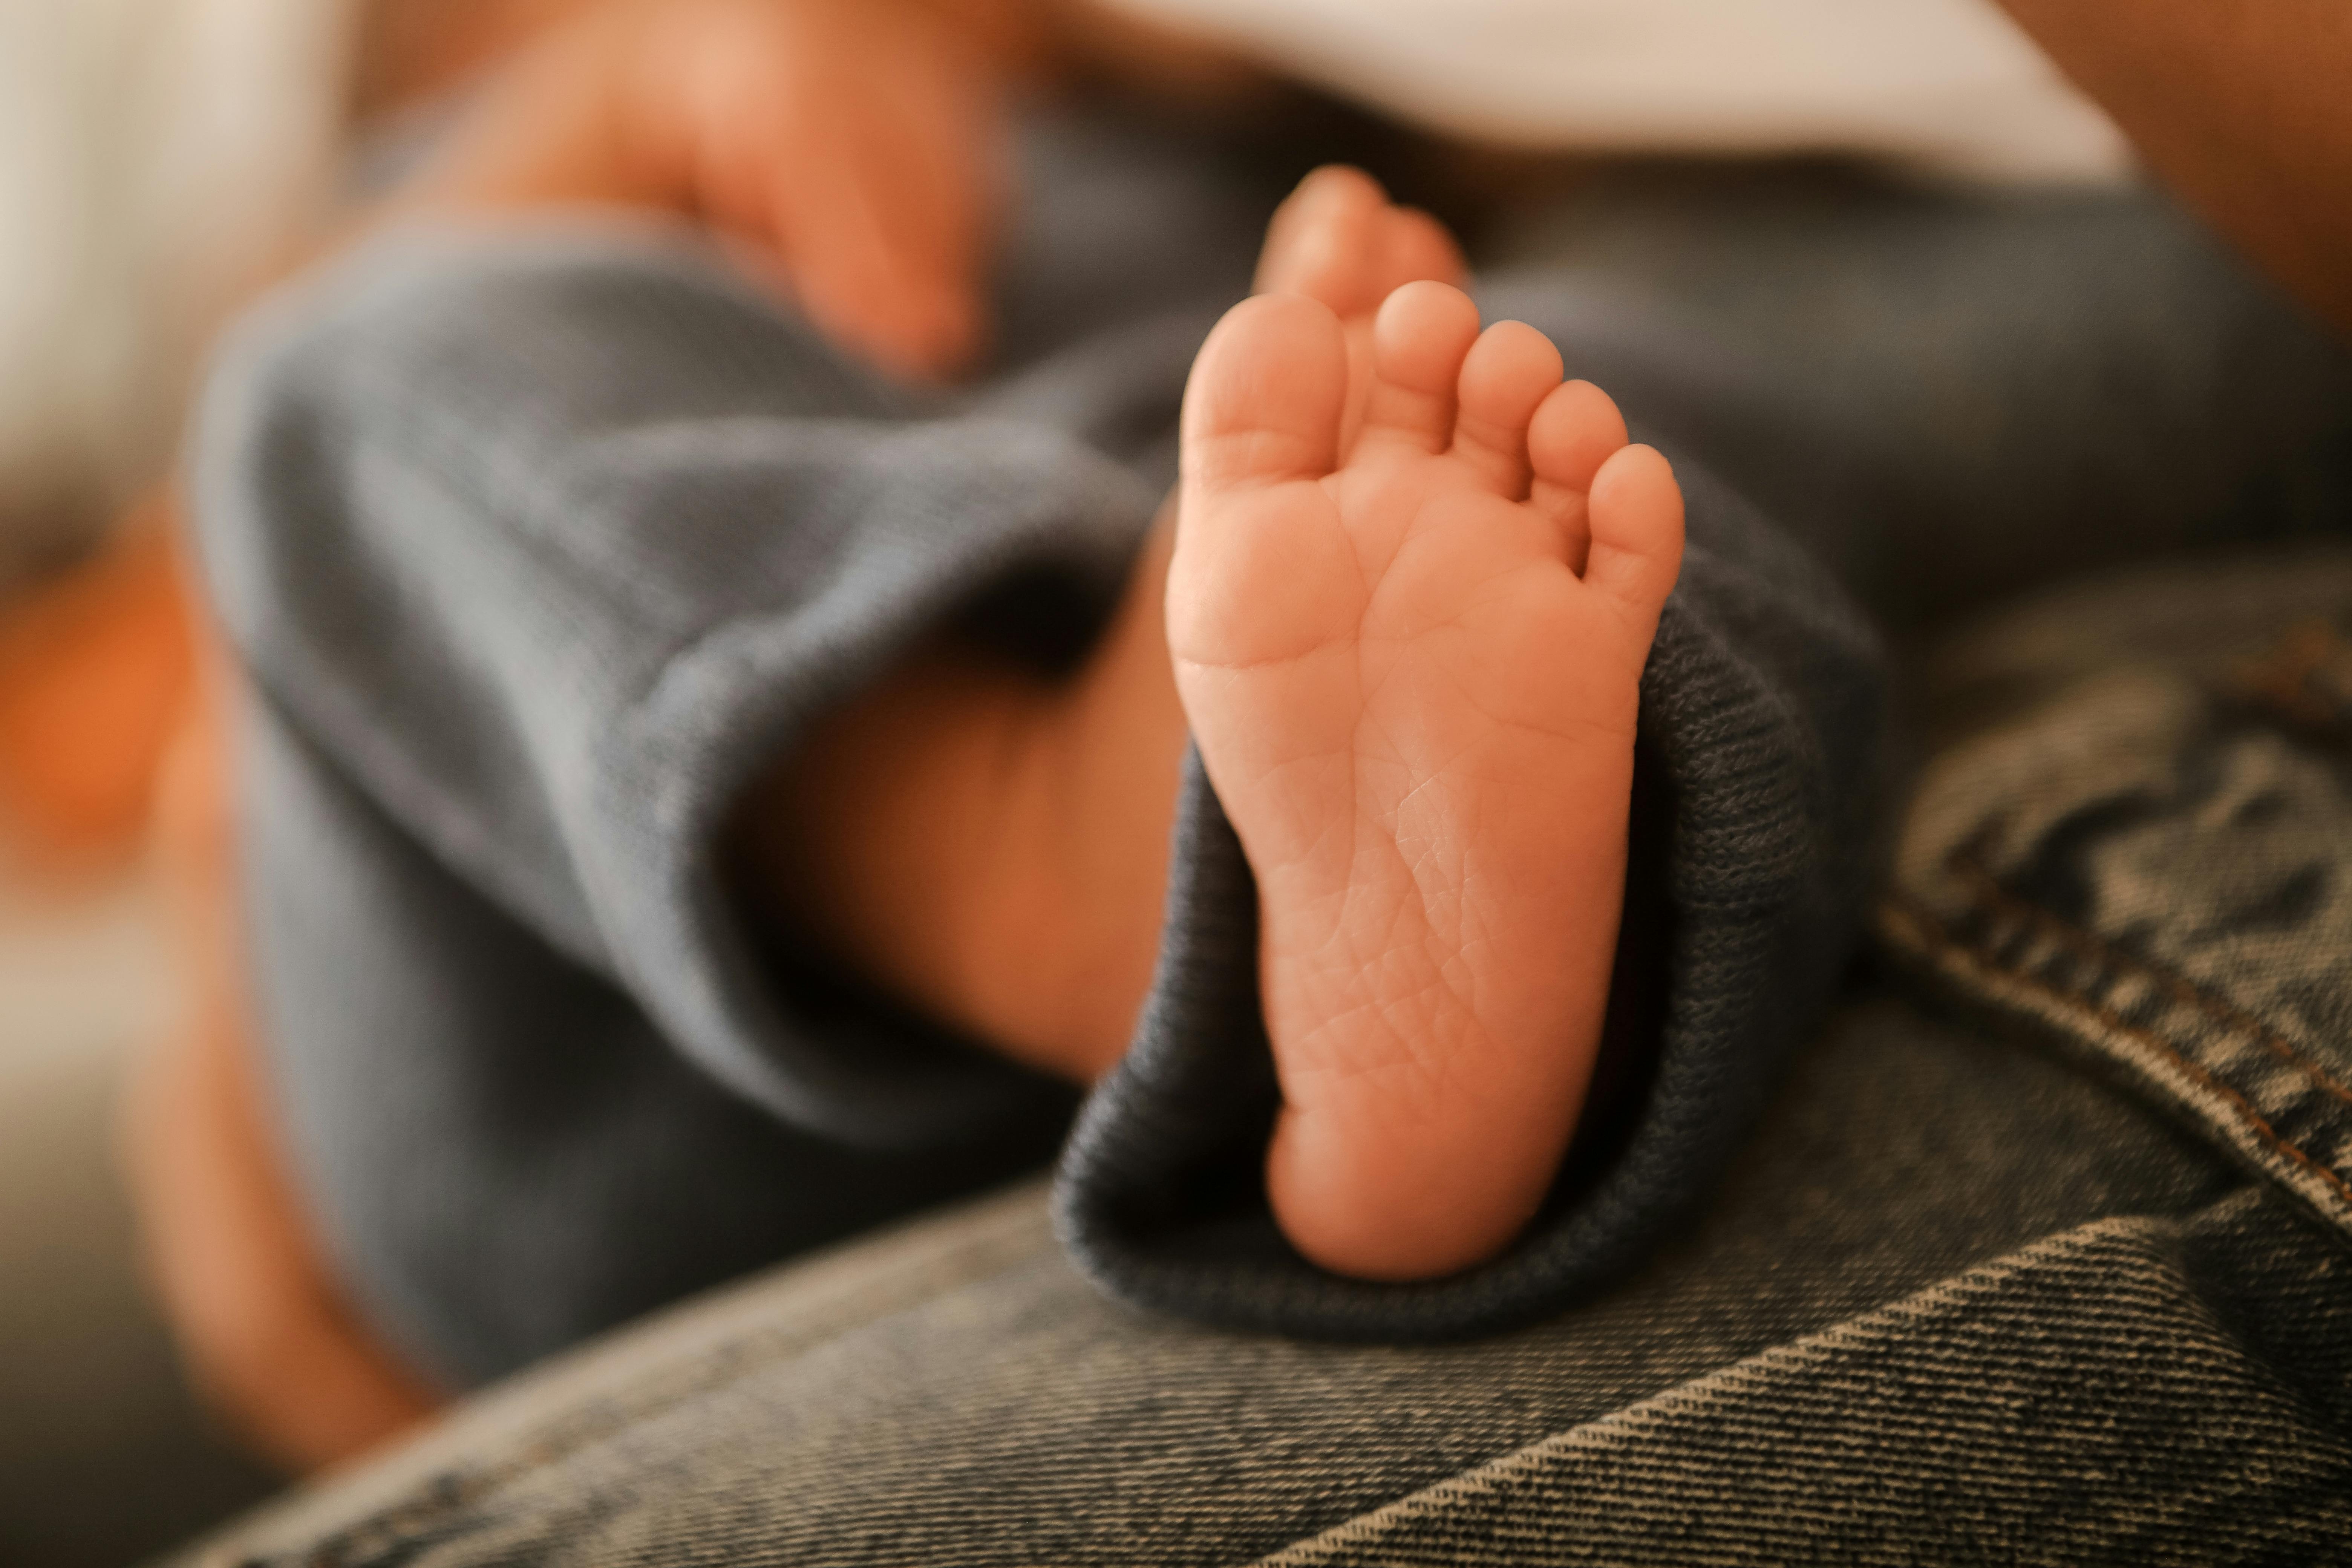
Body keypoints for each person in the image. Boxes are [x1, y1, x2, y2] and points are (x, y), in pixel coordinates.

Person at [141, 0, 2352, 1501]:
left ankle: (1362, 1001)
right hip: (660, 983)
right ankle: (1093, 855)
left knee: (1562, 460)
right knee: (358, 365)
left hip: (1989, 228)